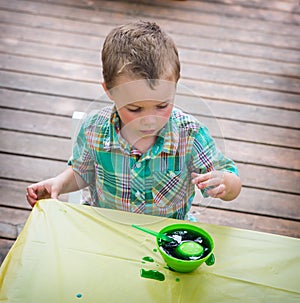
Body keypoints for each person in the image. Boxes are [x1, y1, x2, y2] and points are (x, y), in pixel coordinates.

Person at [26, 20, 241, 220]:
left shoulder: (190, 136)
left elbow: (231, 180)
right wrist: (58, 184)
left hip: (167, 240)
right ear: (109, 91)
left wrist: (225, 184)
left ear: (175, 85)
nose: (149, 120)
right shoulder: (94, 129)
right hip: (108, 231)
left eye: (162, 105)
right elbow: (83, 172)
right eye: (135, 109)